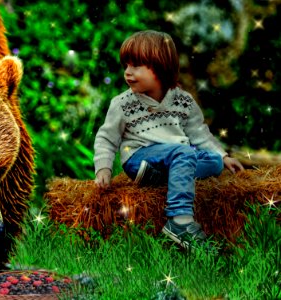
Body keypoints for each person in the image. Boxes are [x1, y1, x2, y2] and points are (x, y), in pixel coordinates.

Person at [93, 30, 244, 249]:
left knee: (213, 162)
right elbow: (106, 137)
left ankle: (168, 178)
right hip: (140, 158)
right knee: (182, 153)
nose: (127, 72)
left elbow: (199, 132)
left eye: (136, 66)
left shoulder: (183, 100)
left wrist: (223, 155)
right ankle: (179, 221)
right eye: (126, 65)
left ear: (160, 66)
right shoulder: (123, 103)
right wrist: (103, 168)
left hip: (174, 158)